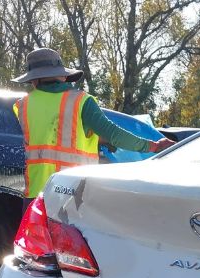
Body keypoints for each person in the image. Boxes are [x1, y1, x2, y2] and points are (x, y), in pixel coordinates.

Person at [11, 47, 175, 205]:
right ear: (62, 76)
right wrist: (153, 146)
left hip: (35, 196)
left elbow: (49, 137)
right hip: (72, 195)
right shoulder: (81, 101)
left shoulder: (22, 106)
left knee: (34, 235)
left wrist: (98, 140)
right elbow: (113, 134)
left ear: (34, 79)